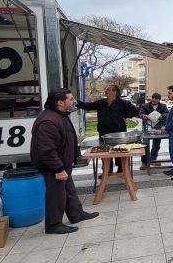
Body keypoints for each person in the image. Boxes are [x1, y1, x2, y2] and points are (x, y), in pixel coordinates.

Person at [30, 88, 99, 234]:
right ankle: (53, 224)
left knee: (69, 191)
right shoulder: (48, 121)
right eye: (71, 99)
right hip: (53, 167)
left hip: (63, 164)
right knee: (56, 196)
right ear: (60, 102)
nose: (74, 101)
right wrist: (58, 169)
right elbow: (46, 150)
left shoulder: (60, 115)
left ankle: (76, 214)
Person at [76, 84, 139, 175]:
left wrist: (125, 116)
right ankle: (107, 171)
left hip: (118, 132)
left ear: (115, 92)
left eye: (108, 89)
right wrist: (76, 103)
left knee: (119, 151)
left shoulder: (123, 103)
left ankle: (121, 170)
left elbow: (135, 111)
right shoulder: (101, 102)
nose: (106, 90)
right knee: (105, 152)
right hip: (103, 132)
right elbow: (88, 106)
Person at [139, 92, 169, 168]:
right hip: (147, 127)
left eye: (156, 99)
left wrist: (160, 116)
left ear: (159, 100)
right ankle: (144, 162)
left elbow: (167, 114)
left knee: (156, 144)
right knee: (145, 144)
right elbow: (141, 114)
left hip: (158, 127)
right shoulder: (145, 105)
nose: (154, 100)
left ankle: (153, 159)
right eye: (153, 98)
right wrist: (143, 116)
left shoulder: (163, 106)